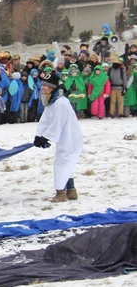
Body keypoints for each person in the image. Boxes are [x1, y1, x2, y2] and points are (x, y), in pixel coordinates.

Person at [34, 71, 84, 203]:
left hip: (70, 138)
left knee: (62, 163)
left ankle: (60, 192)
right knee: (66, 163)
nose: (42, 88)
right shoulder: (51, 102)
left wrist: (46, 137)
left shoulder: (61, 103)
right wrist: (39, 135)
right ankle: (71, 190)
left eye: (45, 86)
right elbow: (45, 120)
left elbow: (58, 123)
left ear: (52, 87)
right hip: (63, 138)